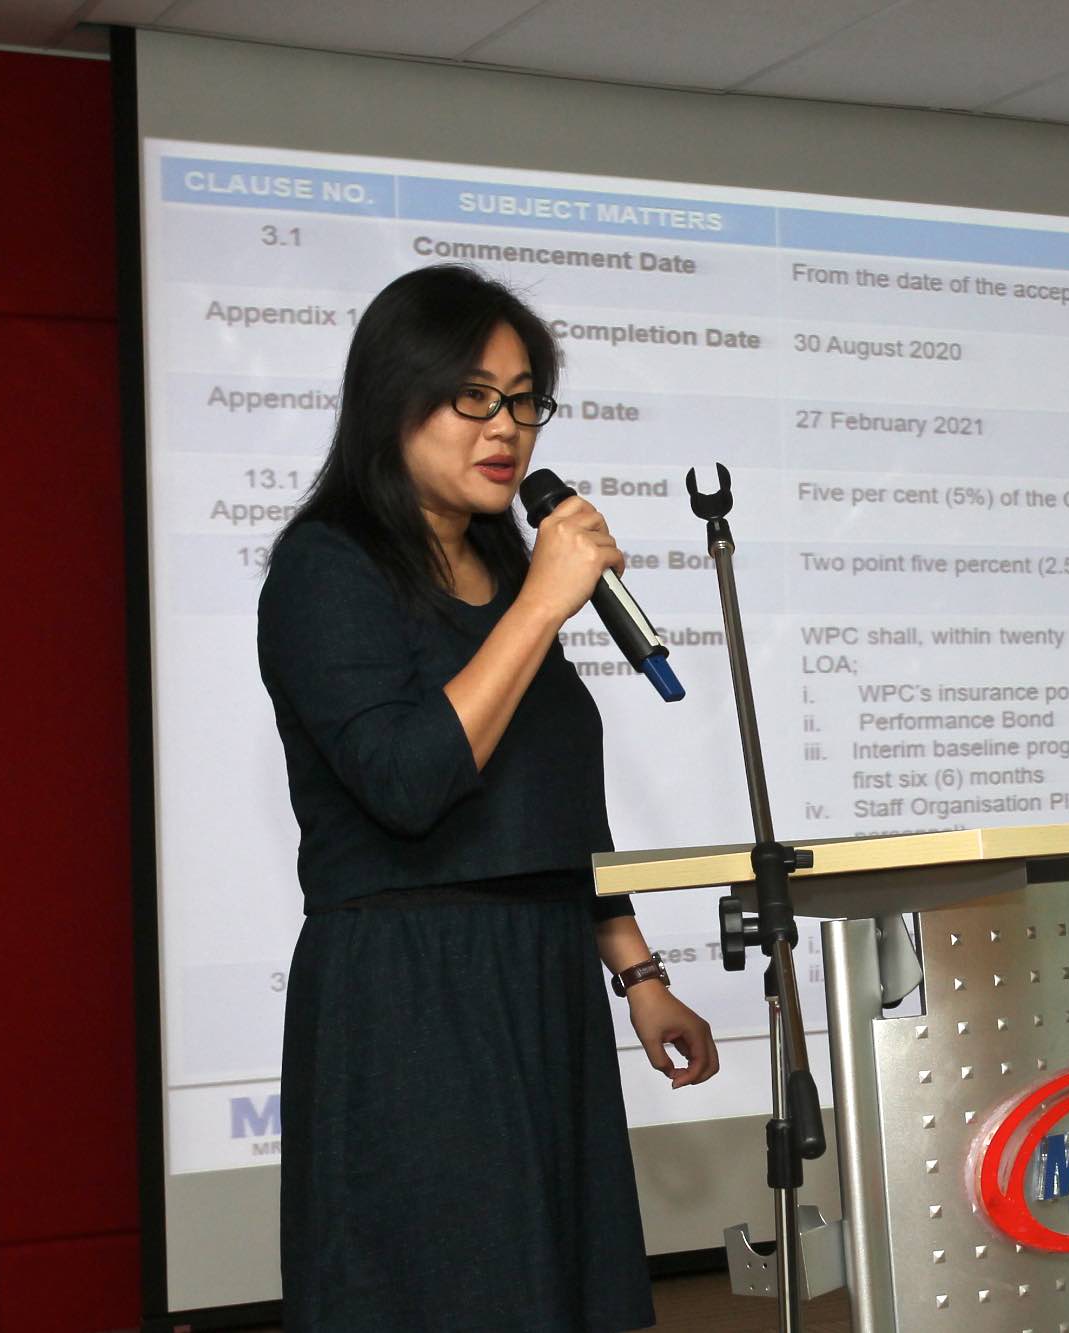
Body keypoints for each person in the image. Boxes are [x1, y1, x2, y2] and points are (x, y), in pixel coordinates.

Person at [257, 263, 718, 1331]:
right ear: (393, 400)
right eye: (472, 396)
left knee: (555, 1294)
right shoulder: (327, 569)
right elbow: (408, 781)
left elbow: (554, 798)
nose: (505, 426)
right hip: (411, 993)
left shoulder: (511, 576)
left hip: (540, 972)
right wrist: (543, 607)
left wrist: (637, 971)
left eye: (521, 399)